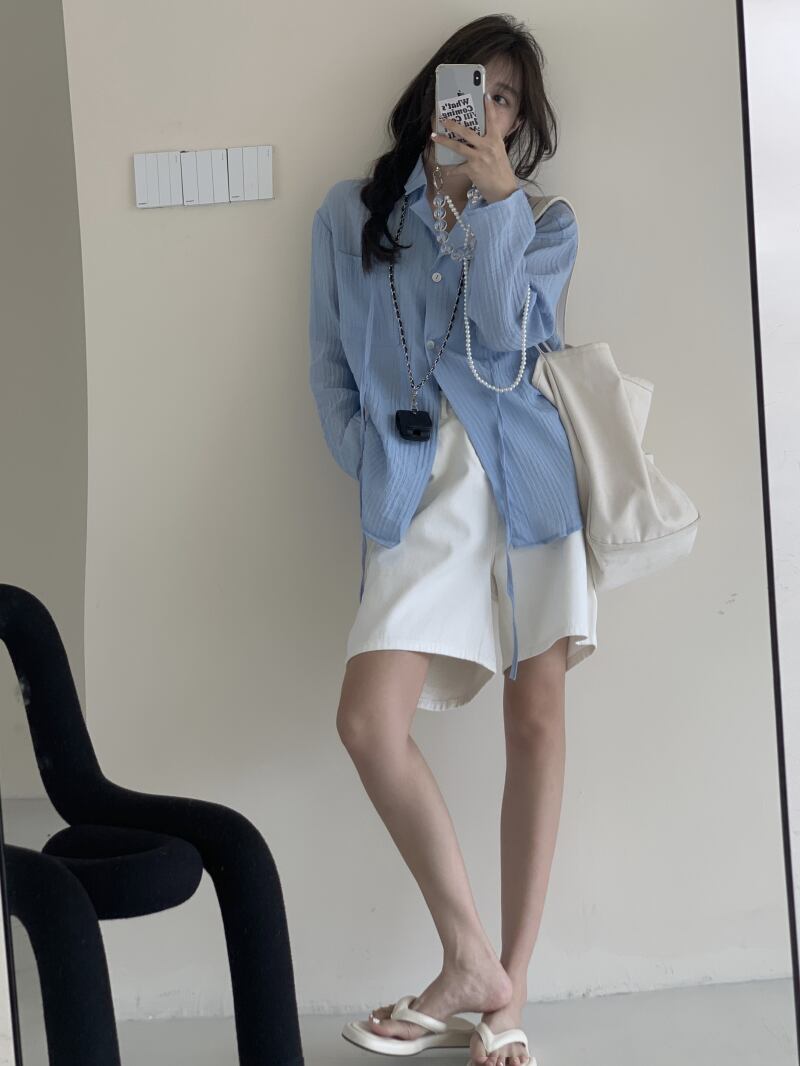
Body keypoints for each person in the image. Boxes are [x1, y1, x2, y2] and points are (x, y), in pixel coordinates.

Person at [308, 14, 597, 1066]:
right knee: (367, 721)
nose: (486, 108)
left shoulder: (542, 221)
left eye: (506, 99)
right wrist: (370, 453)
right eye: (473, 86)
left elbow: (507, 345)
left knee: (537, 721)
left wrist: (494, 208)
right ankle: (469, 958)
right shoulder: (350, 214)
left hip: (526, 480)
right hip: (417, 487)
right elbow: (329, 366)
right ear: (434, 93)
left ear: (517, 124)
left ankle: (508, 989)